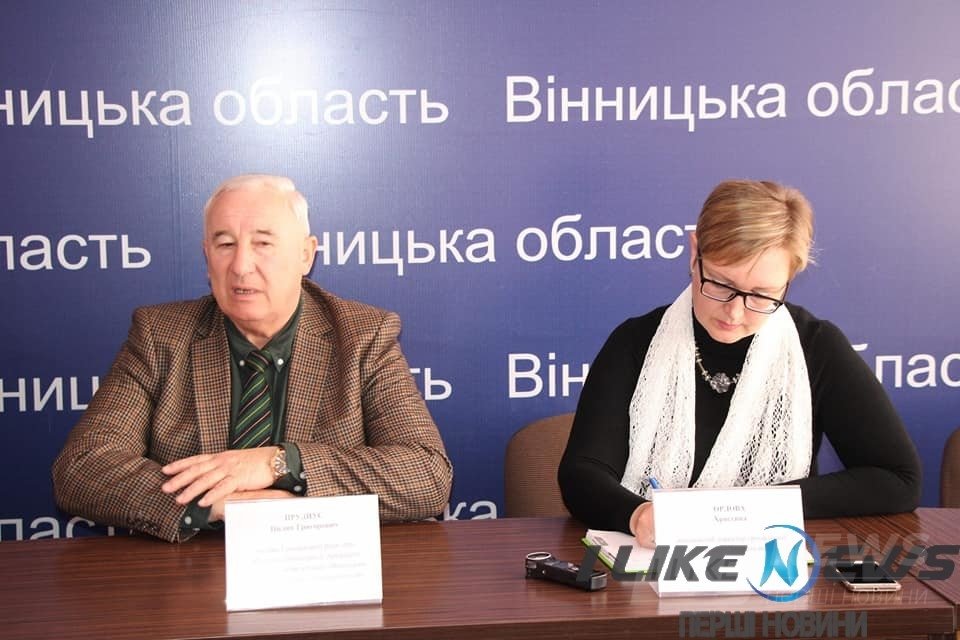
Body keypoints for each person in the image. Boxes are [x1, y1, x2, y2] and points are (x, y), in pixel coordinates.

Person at [52, 174, 453, 542]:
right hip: (191, 575)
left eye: (263, 243)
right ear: (206, 256)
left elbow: (427, 475)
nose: (241, 266)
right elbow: (81, 468)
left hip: (321, 565)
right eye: (225, 245)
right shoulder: (161, 335)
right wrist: (216, 505)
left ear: (306, 255)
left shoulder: (363, 335)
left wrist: (279, 464)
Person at [558, 179, 921, 546]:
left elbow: (897, 479)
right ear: (695, 253)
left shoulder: (815, 347)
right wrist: (638, 514)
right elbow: (582, 473)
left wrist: (750, 508)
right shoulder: (635, 342)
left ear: (789, 279)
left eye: (762, 295)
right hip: (646, 565)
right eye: (720, 284)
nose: (734, 312)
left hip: (772, 569)